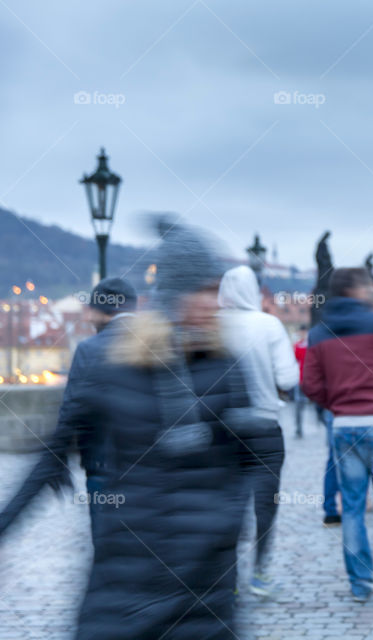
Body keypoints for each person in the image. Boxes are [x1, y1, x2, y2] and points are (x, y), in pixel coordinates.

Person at [8, 220, 257, 639]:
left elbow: (246, 464)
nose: (214, 304)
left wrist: (222, 525)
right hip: (130, 574)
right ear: (177, 295)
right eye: (204, 291)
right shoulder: (117, 366)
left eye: (216, 291)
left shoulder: (225, 367)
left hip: (204, 585)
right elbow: (53, 452)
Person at [301, 267, 373, 602]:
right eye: (369, 287)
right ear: (356, 290)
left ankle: (358, 584)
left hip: (343, 427)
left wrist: (338, 405)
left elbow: (309, 385)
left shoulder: (319, 331)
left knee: (351, 508)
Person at [0, 277, 137, 537]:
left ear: (100, 311)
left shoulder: (89, 349)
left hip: (102, 467)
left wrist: (57, 461)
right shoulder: (155, 346)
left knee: (107, 543)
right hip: (148, 472)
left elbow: (71, 409)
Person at [218, 265, 300, 596]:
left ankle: (227, 577)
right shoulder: (269, 325)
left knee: (225, 503)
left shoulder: (211, 325)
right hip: (265, 426)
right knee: (265, 504)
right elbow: (288, 380)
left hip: (222, 429)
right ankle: (260, 573)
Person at [294, 323, 341, 523]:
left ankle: (331, 508)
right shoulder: (366, 330)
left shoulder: (319, 335)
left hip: (332, 405)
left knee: (334, 458)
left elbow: (311, 381)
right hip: (363, 409)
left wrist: (323, 403)